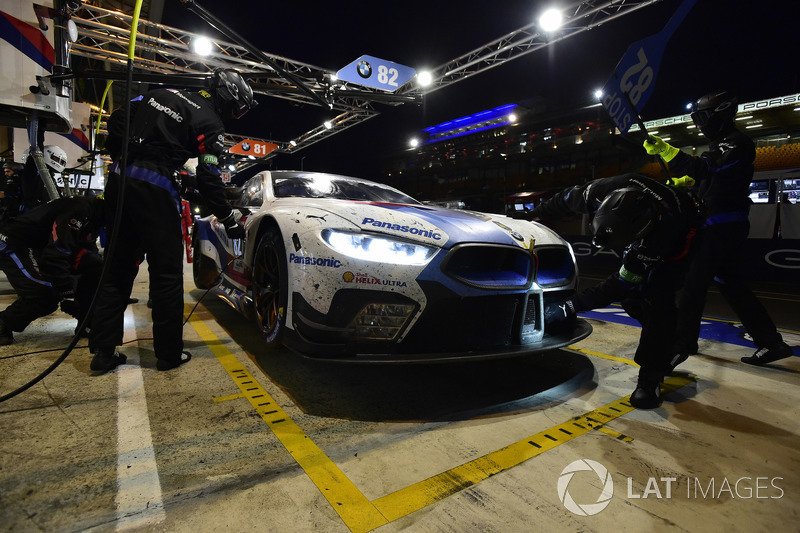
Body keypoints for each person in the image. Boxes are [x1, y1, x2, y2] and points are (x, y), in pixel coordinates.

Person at [88, 68, 257, 374]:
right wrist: (227, 216)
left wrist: (125, 153)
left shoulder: (156, 94)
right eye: (239, 108)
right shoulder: (210, 123)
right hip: (156, 185)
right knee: (166, 274)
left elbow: (117, 119)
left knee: (116, 269)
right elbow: (209, 178)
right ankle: (168, 355)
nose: (236, 114)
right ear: (227, 96)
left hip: (119, 180)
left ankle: (102, 351)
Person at [643, 91, 794, 367]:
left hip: (721, 224)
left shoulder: (736, 142)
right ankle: (771, 342)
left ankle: (681, 344)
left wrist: (667, 151)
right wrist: (686, 183)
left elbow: (709, 168)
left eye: (702, 117)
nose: (699, 124)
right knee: (732, 286)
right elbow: (711, 176)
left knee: (692, 285)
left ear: (721, 114)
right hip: (724, 224)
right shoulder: (721, 144)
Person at [530, 173, 701, 408]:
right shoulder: (598, 190)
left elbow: (618, 286)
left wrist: (570, 305)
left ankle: (649, 380)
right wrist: (530, 215)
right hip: (649, 213)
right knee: (631, 301)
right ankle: (674, 342)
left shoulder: (663, 235)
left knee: (657, 299)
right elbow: (563, 199)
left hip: (687, 237)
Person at [0, 195, 104, 345]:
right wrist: (67, 294)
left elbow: (86, 253)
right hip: (14, 243)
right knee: (45, 294)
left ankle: (87, 322)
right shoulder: (80, 209)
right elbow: (55, 255)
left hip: (39, 246)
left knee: (94, 264)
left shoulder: (96, 214)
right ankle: (4, 322)